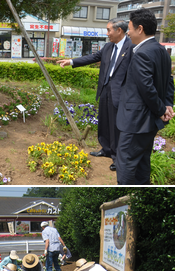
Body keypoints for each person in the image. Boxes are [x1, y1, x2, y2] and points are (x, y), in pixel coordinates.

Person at [57, 18, 133, 171]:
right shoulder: (108, 46)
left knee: (117, 126)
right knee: (104, 121)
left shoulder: (131, 47)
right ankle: (106, 149)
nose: (107, 34)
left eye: (109, 30)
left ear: (119, 30)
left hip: (120, 93)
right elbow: (93, 57)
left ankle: (118, 158)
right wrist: (71, 62)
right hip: (105, 88)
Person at [116, 8, 175, 185]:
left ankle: (127, 196)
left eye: (130, 28)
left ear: (140, 29)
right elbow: (168, 80)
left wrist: (161, 109)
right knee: (142, 163)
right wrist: (167, 104)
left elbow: (147, 88)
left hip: (135, 121)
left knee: (125, 164)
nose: (128, 32)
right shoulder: (161, 50)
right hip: (147, 123)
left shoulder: (141, 53)